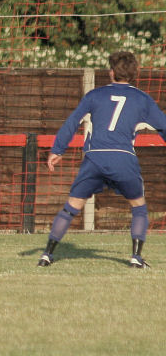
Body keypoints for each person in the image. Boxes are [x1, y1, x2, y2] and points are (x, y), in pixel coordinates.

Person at [37, 51, 166, 269]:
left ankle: (46, 255)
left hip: (95, 157)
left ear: (111, 72)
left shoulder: (94, 95)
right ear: (135, 74)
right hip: (123, 158)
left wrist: (57, 149)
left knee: (71, 206)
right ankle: (136, 258)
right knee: (138, 207)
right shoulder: (143, 99)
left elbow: (72, 122)